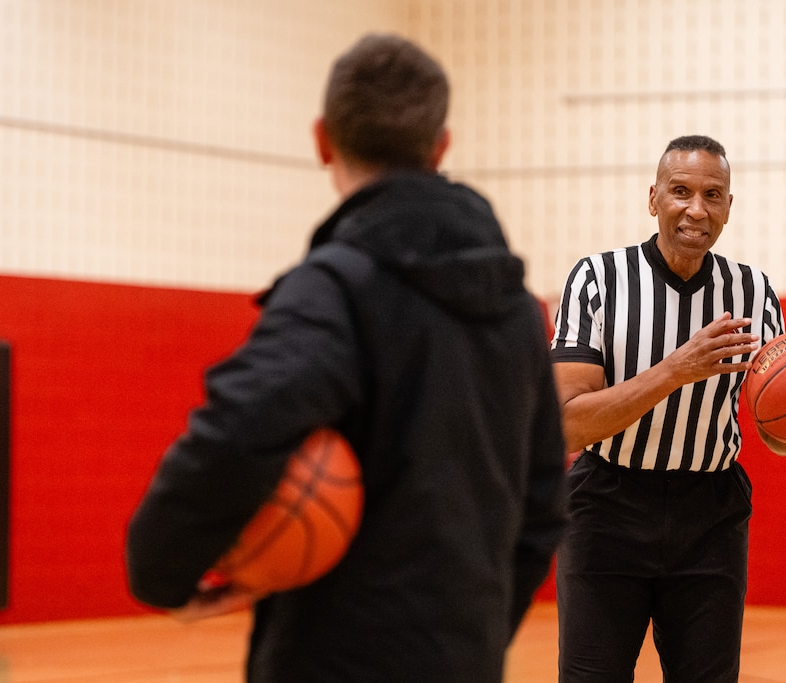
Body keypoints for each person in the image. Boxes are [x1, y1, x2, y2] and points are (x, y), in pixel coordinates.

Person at [125, 33, 567, 683]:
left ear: (322, 139)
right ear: (441, 145)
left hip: (333, 656)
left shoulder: (334, 287)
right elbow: (543, 500)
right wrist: (474, 633)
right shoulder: (518, 312)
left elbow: (239, 428)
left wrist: (160, 571)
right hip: (464, 657)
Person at [551, 134, 786, 682]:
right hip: (608, 506)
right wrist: (676, 369)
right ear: (653, 198)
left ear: (727, 206)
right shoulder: (598, 280)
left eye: (713, 194)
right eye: (680, 191)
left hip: (710, 514)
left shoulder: (752, 290)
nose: (696, 209)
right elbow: (568, 421)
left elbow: (770, 425)